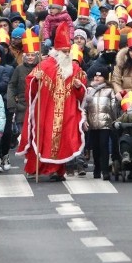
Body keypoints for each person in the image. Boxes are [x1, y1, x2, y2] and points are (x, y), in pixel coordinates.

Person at [17, 22, 87, 182]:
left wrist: (79, 87)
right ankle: (36, 168)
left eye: (68, 51)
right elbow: (31, 88)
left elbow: (82, 93)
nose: (67, 54)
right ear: (56, 51)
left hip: (67, 112)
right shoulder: (45, 65)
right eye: (64, 51)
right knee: (43, 138)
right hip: (46, 111)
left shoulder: (75, 69)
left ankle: (58, 171)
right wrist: (36, 80)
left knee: (63, 140)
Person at [83, 67, 117, 181]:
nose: (97, 78)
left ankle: (105, 170)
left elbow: (113, 108)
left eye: (100, 76)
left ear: (105, 78)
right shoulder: (88, 90)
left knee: (104, 146)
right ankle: (96, 168)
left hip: (105, 124)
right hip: (92, 123)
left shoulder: (109, 91)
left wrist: (114, 121)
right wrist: (85, 120)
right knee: (95, 148)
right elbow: (84, 108)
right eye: (95, 76)